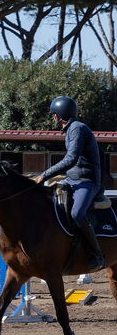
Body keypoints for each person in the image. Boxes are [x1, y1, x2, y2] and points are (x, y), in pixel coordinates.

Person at [36, 95, 105, 271]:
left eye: (54, 114)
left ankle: (97, 254)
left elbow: (71, 159)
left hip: (87, 181)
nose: (53, 118)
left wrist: (45, 175)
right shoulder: (70, 129)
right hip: (72, 179)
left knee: (77, 214)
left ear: (59, 115)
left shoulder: (77, 128)